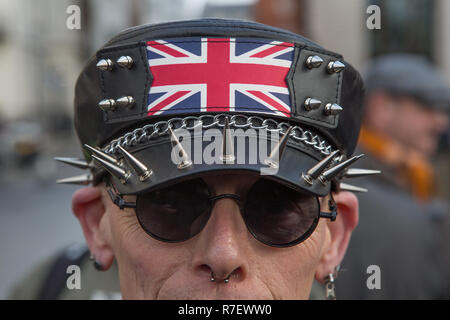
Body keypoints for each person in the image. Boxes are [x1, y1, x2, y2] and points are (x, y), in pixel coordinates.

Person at [12, 18, 370, 300]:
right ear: (98, 223)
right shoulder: (46, 289)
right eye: (170, 204)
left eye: (276, 208)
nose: (223, 255)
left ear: (334, 237)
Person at [336, 54, 450, 299]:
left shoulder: (411, 175)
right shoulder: (344, 183)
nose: (441, 122)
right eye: (427, 107)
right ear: (381, 108)